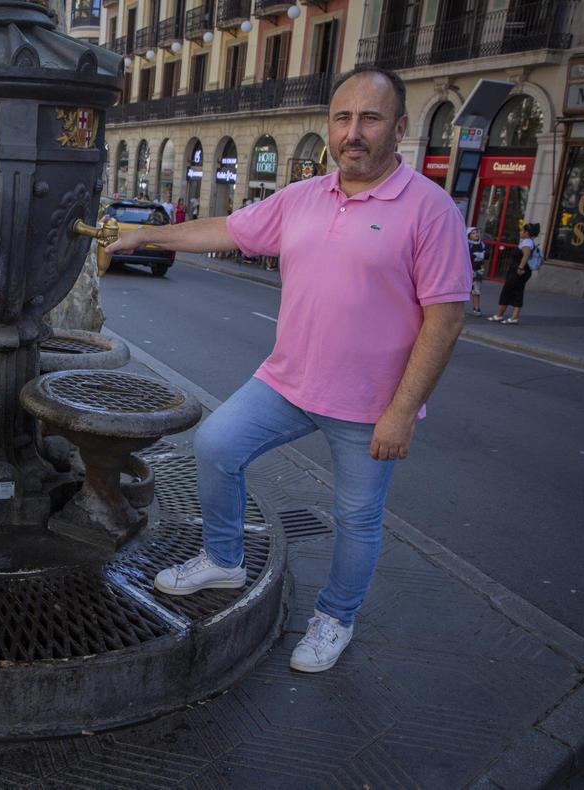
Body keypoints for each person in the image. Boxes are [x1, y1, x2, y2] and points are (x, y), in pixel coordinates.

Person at [106, 65, 469, 674]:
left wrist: (402, 412)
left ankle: (336, 617)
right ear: (330, 126)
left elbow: (446, 320)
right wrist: (143, 236)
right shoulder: (305, 196)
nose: (354, 132)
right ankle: (224, 558)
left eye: (370, 118)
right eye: (343, 118)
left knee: (357, 520)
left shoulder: (430, 210)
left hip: (370, 406)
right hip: (287, 382)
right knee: (217, 444)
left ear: (400, 128)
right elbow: (225, 228)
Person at [487, 222, 540, 325]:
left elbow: (525, 256)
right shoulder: (529, 241)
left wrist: (520, 268)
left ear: (527, 232)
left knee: (507, 291)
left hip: (518, 271)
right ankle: (514, 317)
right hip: (523, 270)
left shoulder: (527, 242)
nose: (520, 232)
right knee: (518, 292)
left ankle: (499, 315)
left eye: (522, 230)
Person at [467, 227, 487, 316]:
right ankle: (459, 309)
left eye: (477, 232)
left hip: (478, 270)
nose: (476, 234)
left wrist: (480, 256)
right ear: (469, 235)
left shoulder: (482, 244)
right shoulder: (466, 244)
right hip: (467, 270)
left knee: (476, 290)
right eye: (474, 233)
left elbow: (486, 255)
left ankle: (476, 308)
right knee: (464, 290)